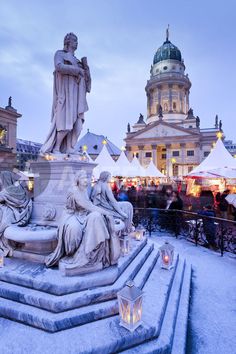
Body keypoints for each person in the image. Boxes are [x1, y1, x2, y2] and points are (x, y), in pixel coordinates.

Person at [46, 170, 120, 270]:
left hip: (83, 215)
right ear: (78, 180)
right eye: (83, 178)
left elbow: (90, 206)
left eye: (87, 178)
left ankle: (92, 252)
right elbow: (88, 206)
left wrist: (106, 214)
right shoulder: (74, 190)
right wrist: (107, 212)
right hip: (71, 215)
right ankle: (72, 254)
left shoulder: (84, 190)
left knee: (97, 217)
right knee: (74, 229)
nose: (86, 180)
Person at [41, 33, 91, 154]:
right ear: (67, 41)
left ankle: (70, 147)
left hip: (78, 95)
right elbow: (59, 67)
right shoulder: (60, 54)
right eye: (74, 40)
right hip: (66, 93)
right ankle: (57, 147)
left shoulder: (78, 61)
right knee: (66, 122)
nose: (76, 43)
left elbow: (88, 84)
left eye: (77, 40)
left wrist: (86, 69)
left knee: (78, 124)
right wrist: (77, 70)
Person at [0, 171, 32, 256]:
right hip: (25, 214)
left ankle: (6, 244)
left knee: (3, 213)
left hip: (17, 215)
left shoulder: (7, 191)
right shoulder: (18, 188)